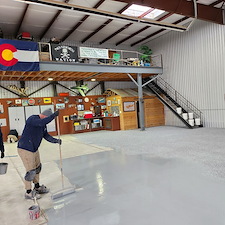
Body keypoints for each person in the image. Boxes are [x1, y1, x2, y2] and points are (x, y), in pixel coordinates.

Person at [17, 108, 61, 200]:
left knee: (37, 168)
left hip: (34, 149)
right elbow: (41, 122)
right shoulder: (32, 119)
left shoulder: (43, 125)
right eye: (47, 118)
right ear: (45, 116)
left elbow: (46, 136)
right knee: (31, 171)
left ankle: (37, 186)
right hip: (25, 148)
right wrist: (53, 116)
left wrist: (56, 141)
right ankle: (28, 192)